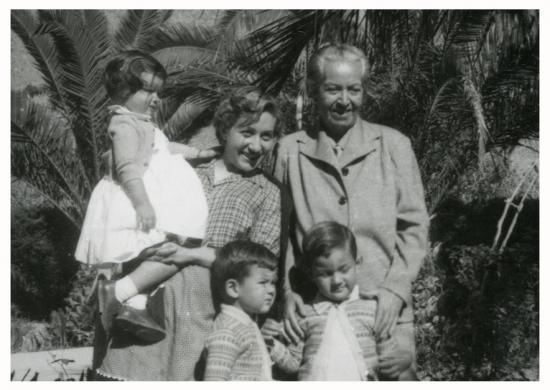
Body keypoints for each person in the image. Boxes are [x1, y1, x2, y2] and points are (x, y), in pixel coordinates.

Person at [94, 87, 283, 380]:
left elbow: (258, 266)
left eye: (266, 136)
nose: (257, 145)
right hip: (146, 306)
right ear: (224, 130)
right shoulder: (185, 169)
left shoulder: (267, 193)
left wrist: (192, 254)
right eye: (247, 132)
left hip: (202, 315)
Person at [274, 43, 429, 378]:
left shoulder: (394, 145)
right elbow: (279, 234)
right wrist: (287, 293)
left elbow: (415, 228)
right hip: (309, 311)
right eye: (333, 89)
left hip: (384, 312)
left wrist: (395, 290)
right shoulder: (289, 151)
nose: (344, 100)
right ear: (314, 91)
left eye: (353, 89)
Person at [75, 50, 213, 341]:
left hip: (139, 200)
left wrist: (199, 153)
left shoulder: (143, 124)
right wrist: (143, 204)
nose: (155, 99)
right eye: (147, 90)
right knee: (165, 250)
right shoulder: (124, 125)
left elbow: (167, 148)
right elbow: (126, 169)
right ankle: (120, 293)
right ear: (122, 92)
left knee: (163, 251)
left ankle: (130, 303)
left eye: (157, 92)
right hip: (130, 203)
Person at [263, 221, 412, 380]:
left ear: (357, 263)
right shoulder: (305, 315)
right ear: (311, 274)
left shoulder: (372, 310)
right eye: (325, 274)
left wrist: (404, 361)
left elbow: (390, 358)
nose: (336, 280)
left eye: (344, 269)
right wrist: (270, 344)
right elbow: (293, 363)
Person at [204, 241, 278, 381]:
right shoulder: (227, 332)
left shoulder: (246, 324)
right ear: (233, 288)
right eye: (263, 282)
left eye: (273, 282)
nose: (271, 290)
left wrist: (273, 345)